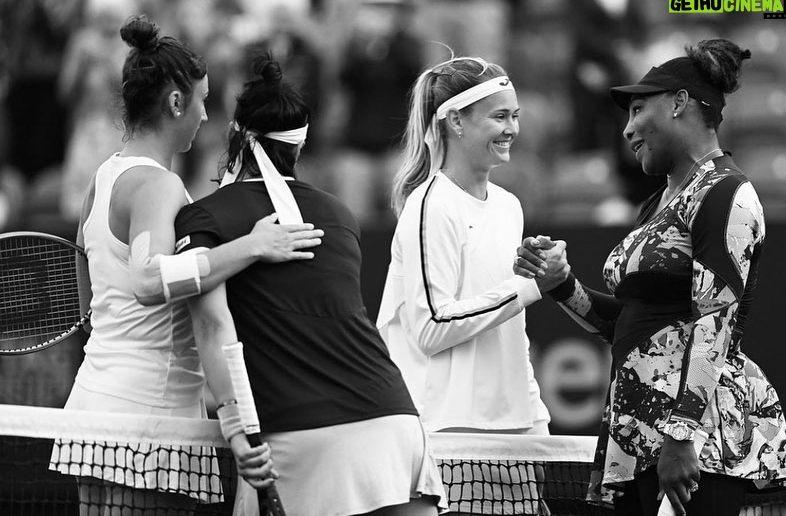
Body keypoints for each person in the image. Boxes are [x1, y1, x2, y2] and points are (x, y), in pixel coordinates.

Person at [49, 16, 324, 516]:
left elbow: (89, 297)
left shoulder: (100, 179)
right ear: (176, 102)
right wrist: (253, 246)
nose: (205, 115)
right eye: (201, 100)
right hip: (148, 426)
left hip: (95, 410)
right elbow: (149, 280)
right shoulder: (159, 186)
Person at [516, 39, 786, 516]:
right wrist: (561, 285)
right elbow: (632, 326)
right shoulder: (658, 202)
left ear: (679, 103)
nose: (628, 129)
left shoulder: (725, 192)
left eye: (638, 109)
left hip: (696, 440)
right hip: (639, 431)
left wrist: (682, 436)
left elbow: (715, 322)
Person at [173, 53, 447, 516]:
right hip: (394, 423)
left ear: (234, 136)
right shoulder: (340, 215)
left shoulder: (204, 216)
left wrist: (237, 431)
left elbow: (214, 330)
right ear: (298, 148)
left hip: (301, 438)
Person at [375, 56, 552, 514]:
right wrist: (528, 287)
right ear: (455, 121)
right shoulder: (429, 206)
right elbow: (432, 327)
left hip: (514, 437)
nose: (511, 128)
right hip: (446, 438)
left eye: (515, 116)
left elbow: (513, 334)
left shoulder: (510, 207)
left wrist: (535, 420)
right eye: (499, 116)